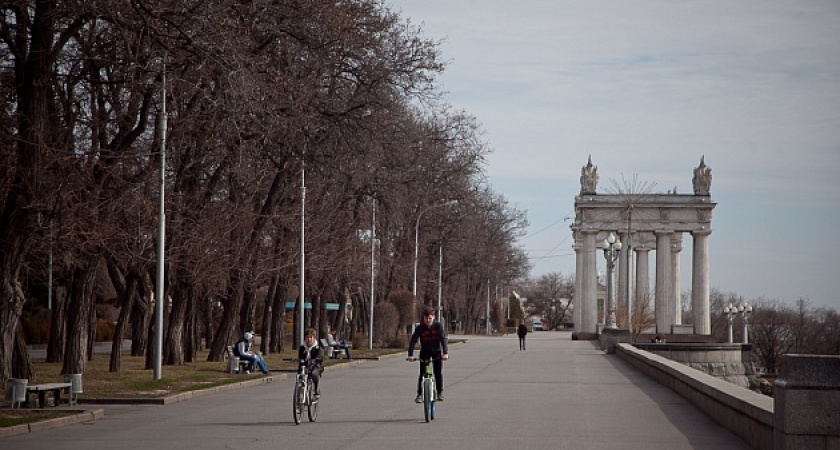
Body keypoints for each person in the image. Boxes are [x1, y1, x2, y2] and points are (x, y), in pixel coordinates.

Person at [407, 308, 449, 402]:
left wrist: (445, 353)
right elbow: (413, 340)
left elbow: (443, 339)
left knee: (437, 372)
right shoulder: (420, 328)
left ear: (433, 317)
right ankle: (419, 394)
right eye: (426, 318)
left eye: (430, 318)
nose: (428, 320)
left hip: (436, 352)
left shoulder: (438, 326)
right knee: (422, 374)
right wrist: (410, 354)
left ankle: (440, 392)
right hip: (425, 352)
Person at [299, 328, 323, 397]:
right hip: (305, 365)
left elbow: (319, 357)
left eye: (310, 337)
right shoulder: (302, 347)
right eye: (307, 337)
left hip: (315, 366)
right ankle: (300, 389)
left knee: (314, 374)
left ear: (314, 338)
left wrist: (315, 360)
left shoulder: (317, 347)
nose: (309, 339)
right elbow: (301, 357)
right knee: (300, 375)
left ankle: (316, 390)